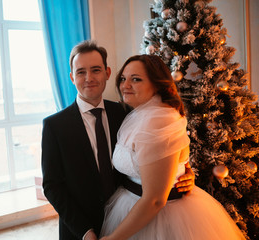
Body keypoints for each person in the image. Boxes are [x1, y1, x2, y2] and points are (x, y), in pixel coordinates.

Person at [41, 40, 195, 240]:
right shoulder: (55, 126)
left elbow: (162, 153)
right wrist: (85, 232)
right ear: (72, 77)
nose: (89, 78)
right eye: (81, 72)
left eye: (96, 70)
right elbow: (53, 186)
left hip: (130, 220)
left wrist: (184, 174)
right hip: (80, 227)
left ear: (107, 73)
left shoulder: (126, 113)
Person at [99, 55, 245, 240]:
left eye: (136, 79)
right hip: (131, 203)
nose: (125, 85)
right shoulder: (139, 113)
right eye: (123, 78)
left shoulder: (158, 120)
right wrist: (185, 169)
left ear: (157, 84)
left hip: (161, 215)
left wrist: (113, 238)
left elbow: (155, 200)